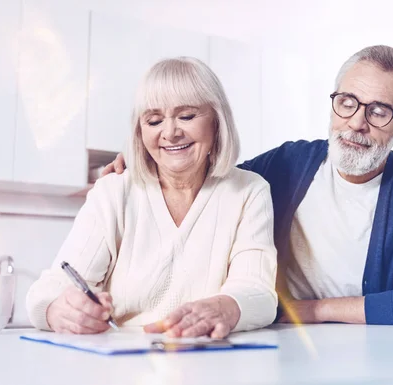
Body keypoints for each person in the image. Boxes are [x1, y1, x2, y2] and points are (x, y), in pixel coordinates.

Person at [103, 45, 393, 326]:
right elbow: (208, 180)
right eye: (347, 103)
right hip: (278, 340)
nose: (356, 123)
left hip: (366, 346)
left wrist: (312, 311)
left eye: (379, 111)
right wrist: (147, 161)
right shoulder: (290, 163)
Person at [26, 57, 278, 338]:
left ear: (217, 122)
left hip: (210, 360)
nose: (170, 133)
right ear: (140, 131)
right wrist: (57, 310)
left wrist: (225, 307)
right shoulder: (113, 192)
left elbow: (259, 293)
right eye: (154, 120)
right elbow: (50, 289)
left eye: (187, 116)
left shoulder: (249, 191)